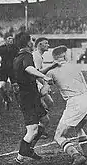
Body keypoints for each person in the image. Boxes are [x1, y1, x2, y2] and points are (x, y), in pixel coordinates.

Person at [46, 45, 87, 165]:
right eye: (67, 53)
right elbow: (85, 84)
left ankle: (76, 156)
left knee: (59, 136)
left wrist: (45, 83)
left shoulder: (51, 71)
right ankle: (86, 155)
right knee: (78, 127)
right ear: (63, 55)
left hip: (75, 102)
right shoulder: (75, 66)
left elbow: (43, 91)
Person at [13, 32, 53, 164]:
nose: (33, 42)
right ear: (27, 42)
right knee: (32, 129)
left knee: (45, 120)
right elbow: (29, 68)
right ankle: (20, 158)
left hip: (32, 95)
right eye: (31, 40)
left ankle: (29, 148)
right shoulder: (26, 56)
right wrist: (46, 78)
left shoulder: (18, 57)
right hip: (27, 98)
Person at [32, 37, 58, 138]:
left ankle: (40, 126)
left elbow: (39, 74)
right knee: (42, 105)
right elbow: (37, 73)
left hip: (38, 83)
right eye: (46, 43)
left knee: (49, 102)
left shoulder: (39, 56)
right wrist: (51, 67)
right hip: (33, 85)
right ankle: (38, 129)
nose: (48, 45)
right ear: (39, 45)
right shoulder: (36, 56)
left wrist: (45, 85)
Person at [0, 32, 19, 110]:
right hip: (4, 70)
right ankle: (7, 100)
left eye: (12, 38)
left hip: (13, 70)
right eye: (9, 38)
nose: (11, 40)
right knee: (1, 87)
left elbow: (19, 58)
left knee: (16, 88)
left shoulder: (16, 48)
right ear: (5, 39)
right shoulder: (0, 48)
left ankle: (20, 103)